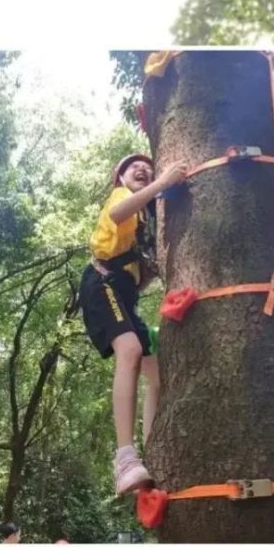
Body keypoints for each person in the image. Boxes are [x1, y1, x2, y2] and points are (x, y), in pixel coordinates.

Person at [78, 153, 189, 494]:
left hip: (124, 295)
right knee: (130, 349)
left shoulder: (144, 226)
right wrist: (163, 182)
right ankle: (124, 457)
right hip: (101, 283)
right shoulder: (121, 197)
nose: (141, 169)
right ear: (120, 177)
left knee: (156, 374)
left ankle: (151, 451)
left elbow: (139, 281)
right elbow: (116, 213)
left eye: (148, 167)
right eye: (132, 167)